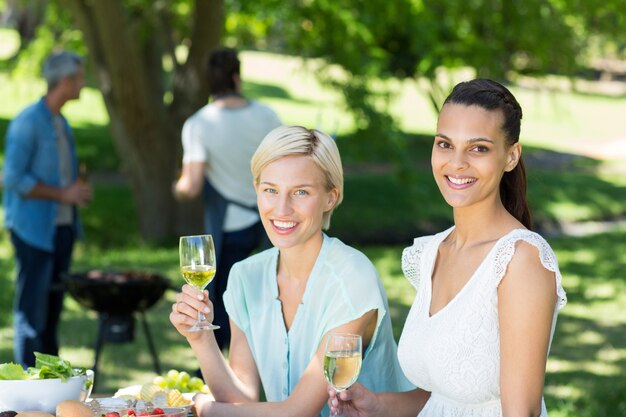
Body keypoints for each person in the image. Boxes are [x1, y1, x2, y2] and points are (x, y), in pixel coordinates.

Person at [329, 79, 568, 417]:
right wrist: (376, 404)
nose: (456, 163)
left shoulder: (520, 259)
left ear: (511, 156)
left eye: (479, 148)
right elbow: (439, 397)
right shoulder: (432, 253)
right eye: (444, 144)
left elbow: (521, 412)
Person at [170, 126, 413, 417]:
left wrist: (205, 409)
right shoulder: (245, 277)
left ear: (330, 197)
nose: (281, 208)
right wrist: (200, 338)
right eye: (270, 190)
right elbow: (240, 400)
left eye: (300, 192)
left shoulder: (353, 278)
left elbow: (297, 412)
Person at [174, 48, 282, 350]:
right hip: (270, 224)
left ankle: (224, 362)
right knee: (269, 293)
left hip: (229, 226)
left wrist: (177, 187)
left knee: (223, 298)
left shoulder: (199, 123)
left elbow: (191, 186)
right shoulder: (267, 115)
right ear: (236, 77)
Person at [3, 51, 92, 367]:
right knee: (32, 313)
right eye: (80, 77)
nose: (84, 83)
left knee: (53, 310)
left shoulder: (61, 121)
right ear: (66, 81)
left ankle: (50, 384)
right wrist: (62, 193)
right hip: (33, 230)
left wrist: (74, 192)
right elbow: (11, 177)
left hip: (61, 229)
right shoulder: (28, 122)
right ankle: (27, 394)